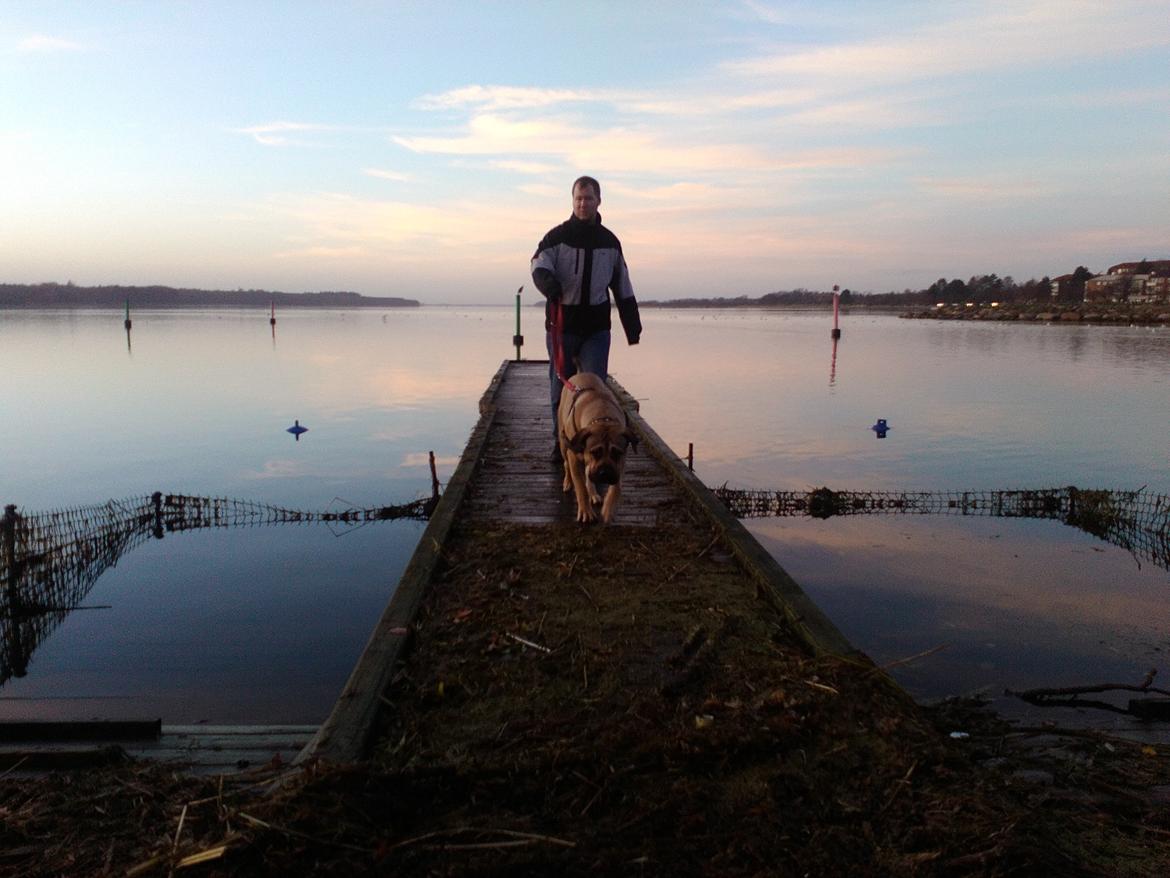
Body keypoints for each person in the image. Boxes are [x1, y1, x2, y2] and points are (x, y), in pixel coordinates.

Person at [530, 176, 642, 453]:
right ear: (572, 201)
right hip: (562, 326)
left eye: (588, 198)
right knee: (562, 390)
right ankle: (563, 446)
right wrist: (549, 285)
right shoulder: (555, 238)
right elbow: (537, 265)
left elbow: (622, 285)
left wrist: (633, 327)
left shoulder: (610, 242)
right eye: (578, 198)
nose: (583, 203)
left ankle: (593, 450)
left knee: (594, 391)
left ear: (598, 201)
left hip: (596, 329)